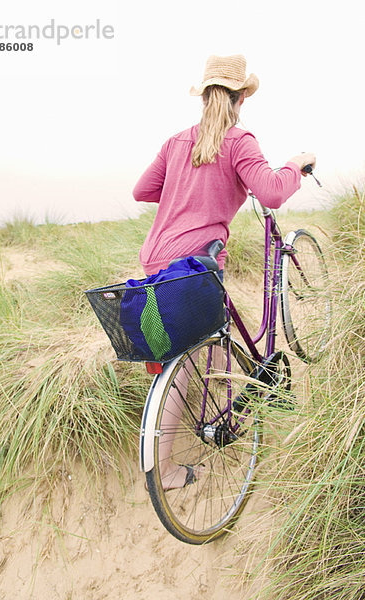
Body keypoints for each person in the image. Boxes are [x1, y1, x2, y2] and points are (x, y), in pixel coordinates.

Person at [133, 54, 316, 490]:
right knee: (196, 353)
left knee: (184, 357)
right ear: (240, 99)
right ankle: (187, 458)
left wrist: (185, 188)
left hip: (155, 260)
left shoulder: (178, 142)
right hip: (194, 262)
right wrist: (297, 164)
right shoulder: (238, 141)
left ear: (205, 96)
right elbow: (271, 192)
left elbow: (143, 190)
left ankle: (176, 453)